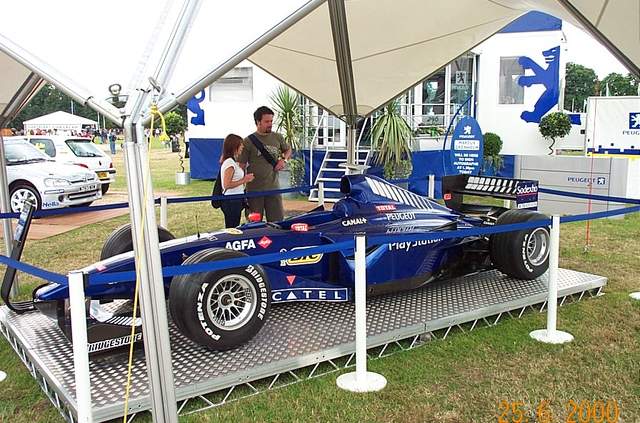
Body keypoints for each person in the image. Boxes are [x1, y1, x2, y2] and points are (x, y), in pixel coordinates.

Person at [238, 106, 291, 222]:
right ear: (258, 122)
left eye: (271, 121)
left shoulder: (278, 137)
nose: (270, 124)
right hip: (254, 190)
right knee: (254, 224)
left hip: (273, 188)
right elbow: (241, 165)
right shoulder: (248, 141)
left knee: (277, 221)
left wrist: (283, 160)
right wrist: (240, 184)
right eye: (267, 121)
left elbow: (288, 149)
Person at [220, 134, 254, 228]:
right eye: (241, 145)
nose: (242, 147)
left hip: (235, 199)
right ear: (234, 146)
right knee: (232, 227)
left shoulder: (232, 162)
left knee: (234, 225)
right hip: (231, 200)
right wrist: (244, 180)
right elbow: (226, 184)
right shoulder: (229, 163)